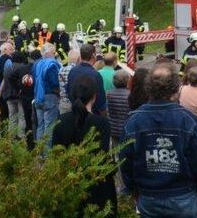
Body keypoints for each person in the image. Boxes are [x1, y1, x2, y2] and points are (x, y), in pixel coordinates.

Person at [121, 64, 197, 217]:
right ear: (176, 88)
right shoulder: (189, 121)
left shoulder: (134, 121)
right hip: (182, 196)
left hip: (149, 196)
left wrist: (133, 189)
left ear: (149, 88)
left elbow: (125, 161)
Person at [52, 74, 117, 215]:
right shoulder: (101, 122)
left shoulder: (61, 121)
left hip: (68, 184)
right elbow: (103, 155)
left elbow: (55, 155)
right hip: (96, 186)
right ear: (95, 96)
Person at [32, 42, 61, 148]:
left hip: (37, 97)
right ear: (48, 53)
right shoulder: (52, 64)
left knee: (40, 126)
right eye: (54, 53)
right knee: (49, 127)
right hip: (49, 97)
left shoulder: (36, 64)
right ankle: (47, 155)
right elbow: (54, 82)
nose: (55, 55)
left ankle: (39, 153)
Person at [66, 43, 107, 115]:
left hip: (75, 113)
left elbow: (69, 91)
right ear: (93, 56)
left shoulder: (73, 71)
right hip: (92, 115)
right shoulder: (95, 75)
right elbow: (101, 100)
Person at [8, 50, 36, 149]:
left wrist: (18, 87)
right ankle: (30, 141)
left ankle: (26, 142)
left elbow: (10, 77)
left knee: (25, 119)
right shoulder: (34, 67)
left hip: (24, 97)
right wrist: (18, 88)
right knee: (30, 120)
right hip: (32, 97)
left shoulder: (21, 68)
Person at [2, 51, 27, 140]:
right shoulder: (22, 67)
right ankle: (21, 137)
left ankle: (11, 137)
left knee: (12, 117)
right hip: (19, 96)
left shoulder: (7, 67)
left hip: (8, 95)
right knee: (21, 117)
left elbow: (5, 80)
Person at [107, 69, 131, 151]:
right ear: (127, 81)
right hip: (125, 128)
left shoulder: (109, 94)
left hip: (113, 128)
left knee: (115, 149)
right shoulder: (129, 95)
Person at [0, 41, 14, 122]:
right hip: (5, 91)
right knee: (7, 114)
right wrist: (0, 90)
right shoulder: (8, 60)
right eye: (11, 50)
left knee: (0, 114)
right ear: (5, 50)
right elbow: (6, 77)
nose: (12, 52)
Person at [58, 48, 80, 114]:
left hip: (64, 103)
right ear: (78, 58)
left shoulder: (61, 70)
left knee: (65, 123)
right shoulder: (79, 70)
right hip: (76, 103)